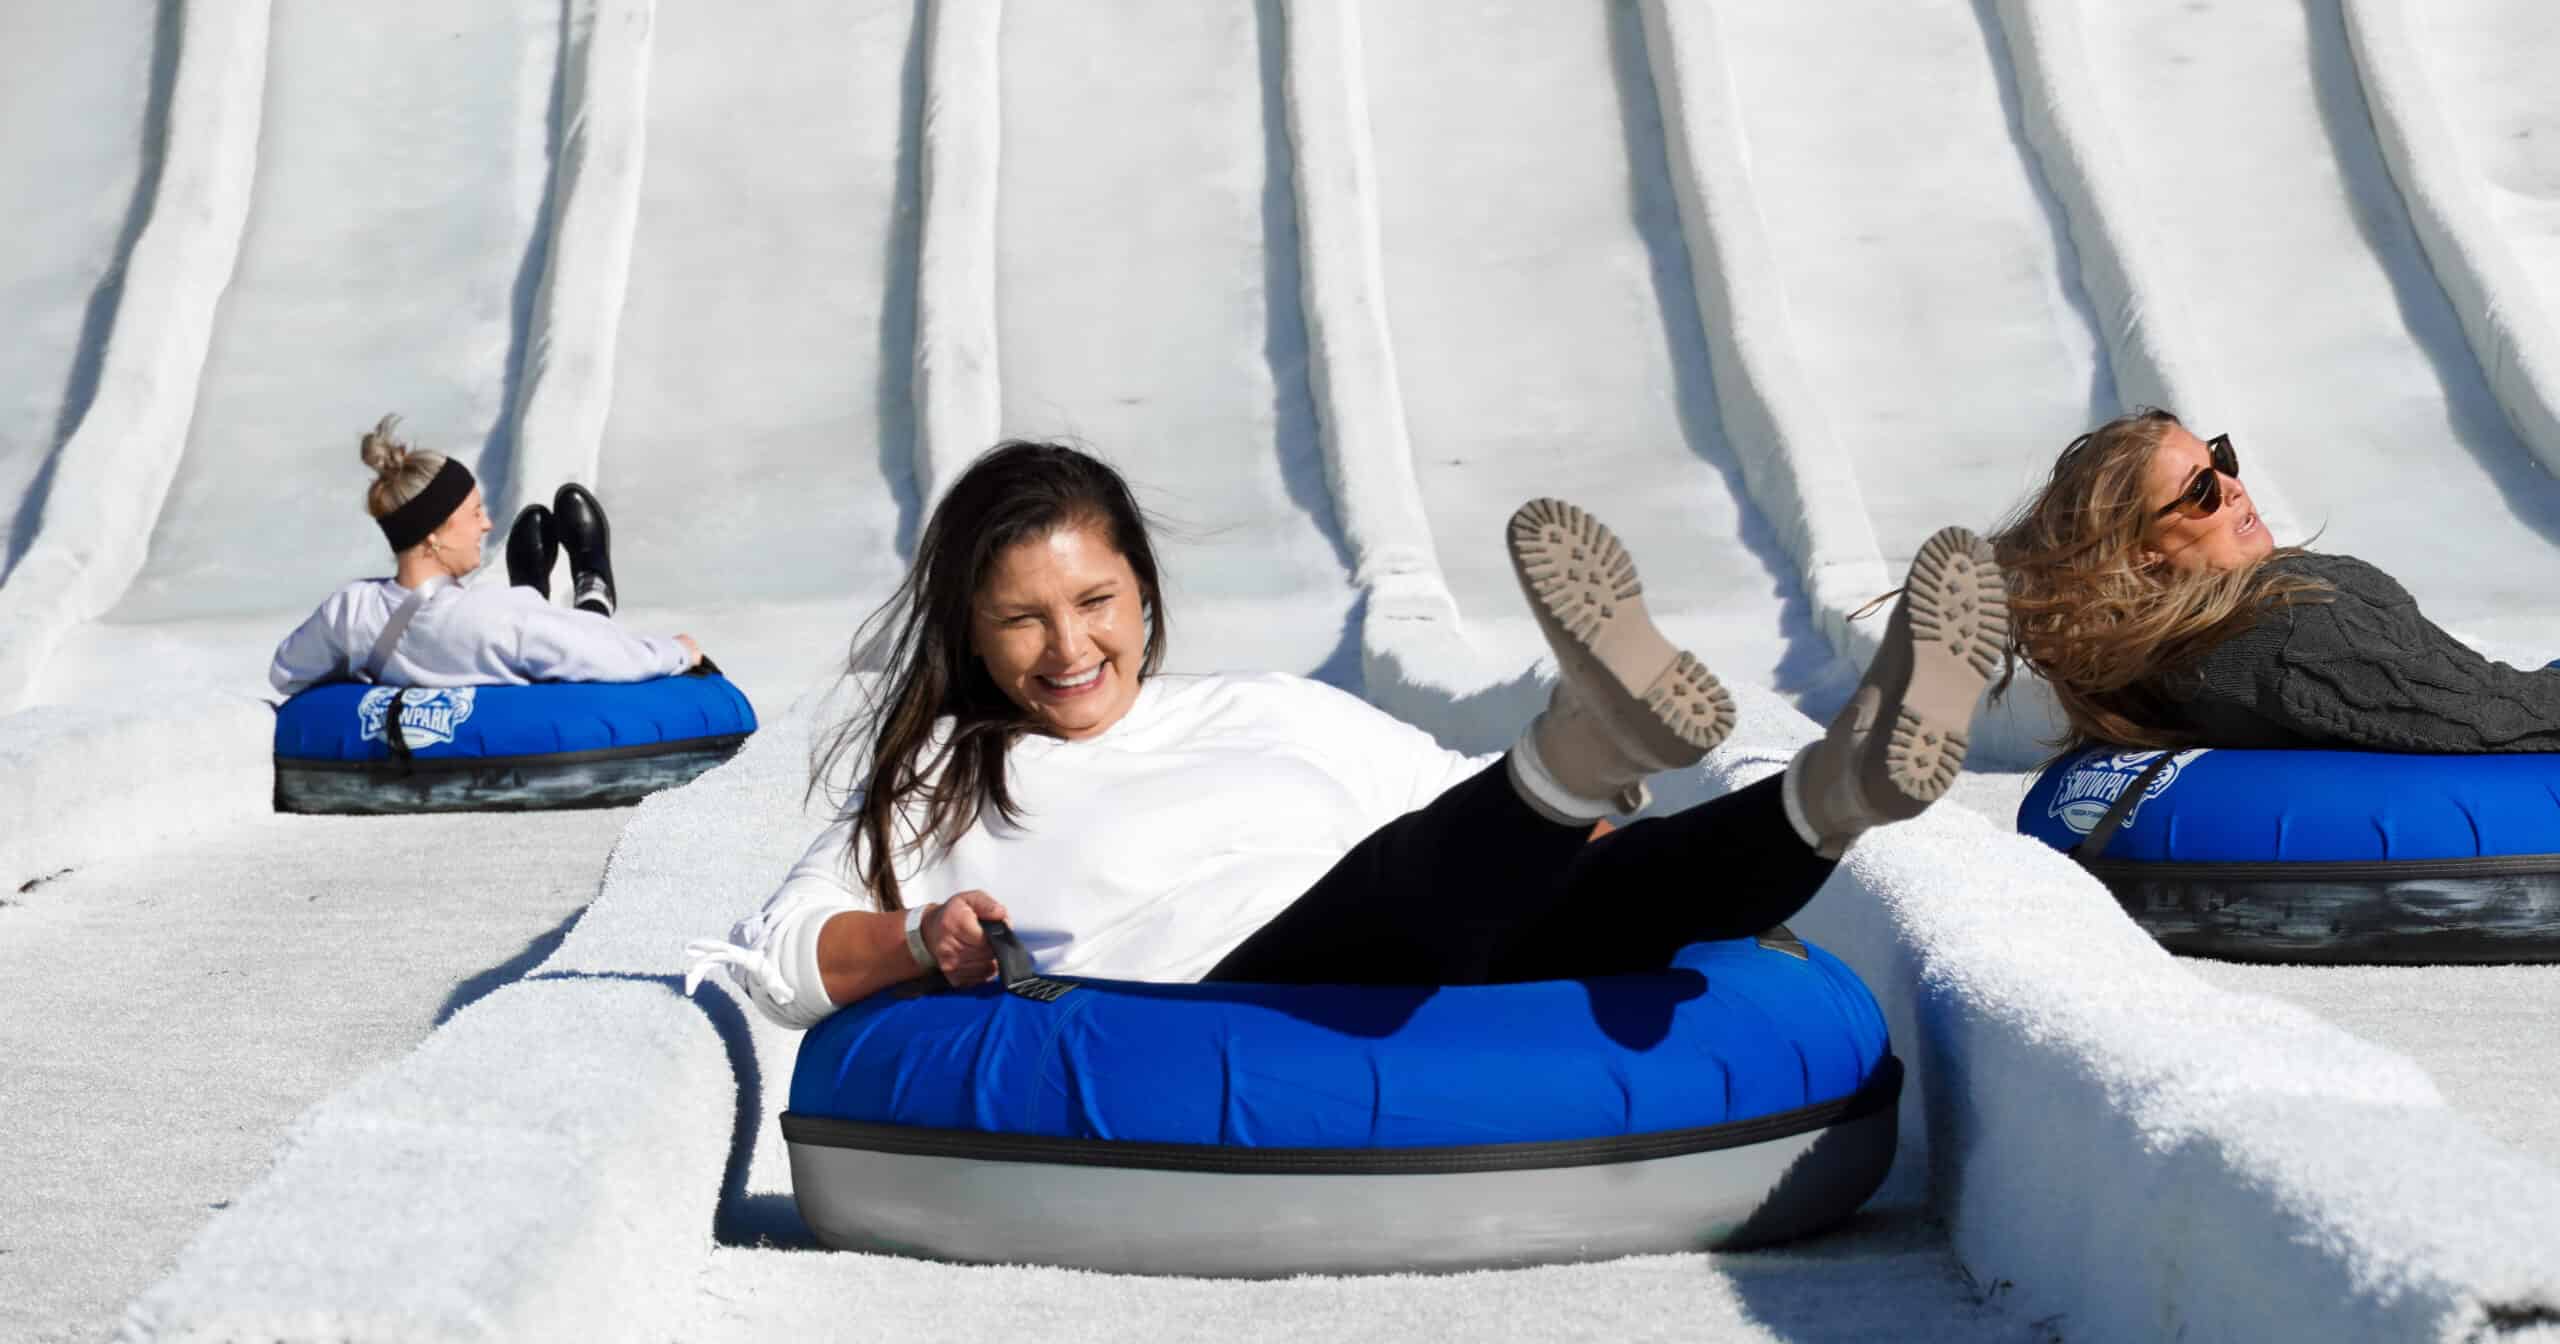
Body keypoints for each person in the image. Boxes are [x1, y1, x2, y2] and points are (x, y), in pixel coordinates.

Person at [685, 441, 2010, 1024]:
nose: (1069, 644)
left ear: (1145, 589)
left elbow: (1457, 812)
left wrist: (1611, 847)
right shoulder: (951, 772)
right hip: (1234, 999)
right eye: (1023, 619)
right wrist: (926, 934)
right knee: (1385, 902)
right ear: (971, 635)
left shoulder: (1271, 707)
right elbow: (782, 956)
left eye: (1095, 600)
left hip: (1437, 946)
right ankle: (1590, 734)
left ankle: (1848, 778)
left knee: (1598, 888)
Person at [1995, 407, 2560, 752]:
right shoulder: (2292, 632)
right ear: (2143, 554)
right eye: (2200, 493)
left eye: (2221, 461)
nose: (2233, 487)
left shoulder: (2159, 664)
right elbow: (2491, 722)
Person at [268, 414, 705, 695]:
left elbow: (287, 674)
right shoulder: (496, 616)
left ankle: (543, 588)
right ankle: (594, 595)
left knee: (540, 624)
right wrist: (678, 652)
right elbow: (609, 659)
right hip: (518, 646)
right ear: (434, 534)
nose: (487, 525)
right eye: (475, 512)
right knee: (569, 629)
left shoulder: (350, 609)